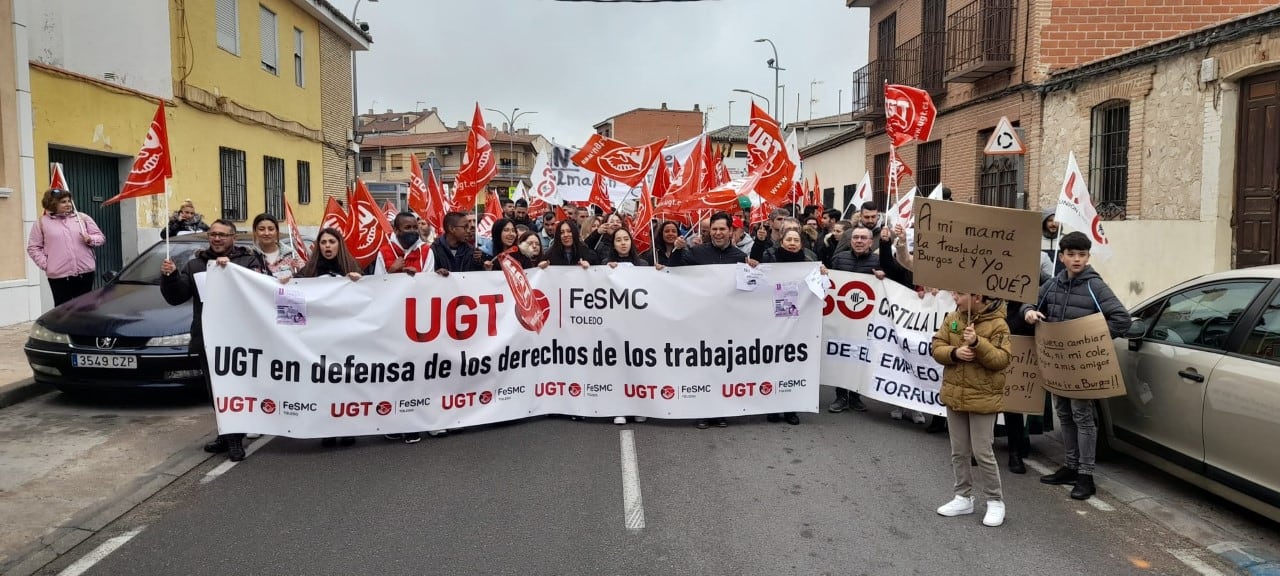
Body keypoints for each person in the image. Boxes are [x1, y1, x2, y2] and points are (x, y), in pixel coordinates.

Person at [1022, 231, 1131, 500]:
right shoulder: (1054, 285)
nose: (1076, 259)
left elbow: (1122, 320)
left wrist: (1089, 339)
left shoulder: (1095, 286)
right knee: (1065, 415)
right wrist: (1028, 312)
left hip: (1082, 366)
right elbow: (1030, 300)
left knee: (1083, 418)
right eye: (1071, 254)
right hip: (1058, 364)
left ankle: (1086, 475)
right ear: (1062, 257)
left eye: (1081, 255)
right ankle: (1070, 466)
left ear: (1088, 257)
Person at [161, 220, 267, 462]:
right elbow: (177, 296)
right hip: (208, 338)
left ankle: (234, 439)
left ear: (233, 237)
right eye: (213, 234)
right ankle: (225, 434)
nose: (217, 239)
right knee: (215, 391)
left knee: (236, 390)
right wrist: (170, 276)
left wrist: (230, 272)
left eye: (222, 235)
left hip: (240, 339)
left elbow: (258, 290)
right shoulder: (196, 264)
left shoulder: (247, 260)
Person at [932, 291, 1012, 527]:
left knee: (982, 452)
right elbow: (937, 346)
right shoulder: (953, 318)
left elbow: (1001, 360)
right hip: (955, 394)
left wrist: (978, 343)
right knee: (959, 450)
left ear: (976, 297)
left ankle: (995, 501)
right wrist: (955, 353)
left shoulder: (999, 324)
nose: (954, 297)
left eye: (959, 293)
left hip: (983, 397)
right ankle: (963, 497)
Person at [669, 211, 755, 429]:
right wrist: (678, 251)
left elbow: (749, 289)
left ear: (730, 231)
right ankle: (703, 412)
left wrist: (754, 269)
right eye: (714, 229)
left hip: (727, 323)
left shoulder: (738, 257)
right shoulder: (696, 252)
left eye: (722, 229)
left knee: (722, 367)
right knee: (702, 367)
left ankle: (721, 411)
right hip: (701, 321)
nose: (717, 233)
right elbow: (675, 271)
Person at [294, 228, 362, 447]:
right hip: (319, 339)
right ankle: (327, 428)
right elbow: (294, 299)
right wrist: (285, 284)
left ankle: (348, 427)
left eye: (332, 241)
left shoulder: (352, 268)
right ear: (318, 246)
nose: (327, 246)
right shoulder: (308, 272)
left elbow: (368, 299)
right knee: (324, 384)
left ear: (339, 244)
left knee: (345, 383)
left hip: (346, 337)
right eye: (323, 242)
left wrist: (358, 282)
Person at [760, 228, 823, 426]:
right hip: (773, 319)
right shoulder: (770, 258)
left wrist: (823, 273)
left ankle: (790, 408)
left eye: (796, 240)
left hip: (798, 323)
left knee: (792, 364)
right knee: (772, 363)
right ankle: (772, 407)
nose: (793, 243)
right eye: (789, 239)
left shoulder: (808, 263)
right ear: (782, 240)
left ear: (801, 244)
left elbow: (819, 288)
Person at [825, 225, 881, 414]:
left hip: (865, 321)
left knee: (860, 357)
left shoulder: (878, 261)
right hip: (842, 318)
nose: (858, 241)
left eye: (863, 238)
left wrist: (883, 277)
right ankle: (841, 396)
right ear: (850, 241)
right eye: (855, 237)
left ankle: (855, 396)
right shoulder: (839, 259)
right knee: (841, 357)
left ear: (870, 242)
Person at [27, 188, 106, 306]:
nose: (68, 204)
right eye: (63, 202)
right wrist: (47, 265)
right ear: (53, 203)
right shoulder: (41, 223)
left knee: (85, 308)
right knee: (63, 311)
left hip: (85, 272)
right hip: (59, 276)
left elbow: (100, 237)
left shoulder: (82, 218)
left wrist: (90, 239)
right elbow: (33, 247)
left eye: (69, 201)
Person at [250, 213, 302, 282]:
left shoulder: (291, 254)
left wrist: (298, 272)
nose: (266, 233)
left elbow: (306, 278)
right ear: (255, 232)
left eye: (271, 229)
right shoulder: (249, 256)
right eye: (261, 229)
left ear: (277, 231)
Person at [432, 211, 485, 276]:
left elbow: (475, 278)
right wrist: (435, 274)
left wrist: (478, 262)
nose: (468, 230)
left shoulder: (471, 251)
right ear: (451, 229)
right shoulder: (434, 250)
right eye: (465, 227)